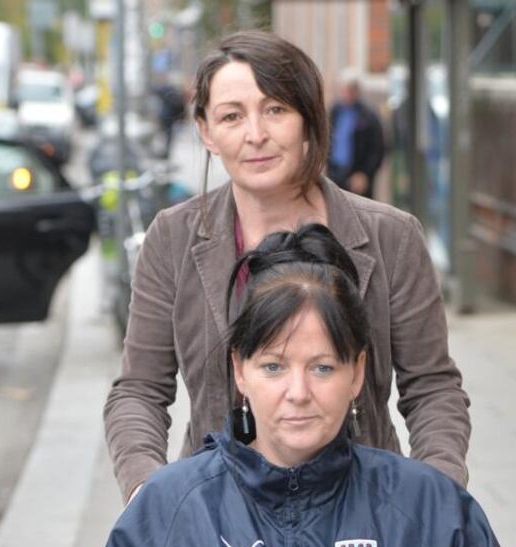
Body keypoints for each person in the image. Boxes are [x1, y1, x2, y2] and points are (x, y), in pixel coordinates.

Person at [103, 30, 471, 504]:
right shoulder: (173, 237)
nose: (256, 134)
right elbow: (138, 391)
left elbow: (433, 388)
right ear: (206, 132)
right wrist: (147, 495)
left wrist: (436, 495)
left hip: (366, 512)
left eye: (275, 109)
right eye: (232, 116)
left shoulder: (391, 237)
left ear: (308, 120)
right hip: (216, 513)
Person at [96, 224, 511, 547]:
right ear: (240, 370)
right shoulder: (167, 509)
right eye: (273, 367)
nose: (298, 393)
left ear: (357, 372)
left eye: (322, 368)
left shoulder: (432, 510)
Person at [327, 69, 385, 199]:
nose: (346, 93)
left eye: (351, 90)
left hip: (357, 175)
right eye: (343, 89)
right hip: (336, 173)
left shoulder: (368, 116)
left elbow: (377, 149)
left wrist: (365, 174)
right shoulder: (334, 112)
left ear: (357, 91)